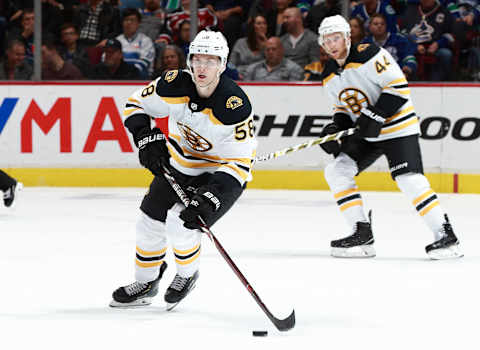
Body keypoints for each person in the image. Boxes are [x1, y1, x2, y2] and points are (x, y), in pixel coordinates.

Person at [110, 30, 257, 309]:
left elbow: (238, 166)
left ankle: (187, 276)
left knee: (182, 223)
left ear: (223, 64)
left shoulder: (233, 106)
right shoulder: (173, 83)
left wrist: (210, 197)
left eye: (211, 60)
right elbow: (135, 104)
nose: (202, 67)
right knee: (148, 223)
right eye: (197, 59)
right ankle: (147, 281)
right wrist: (144, 137)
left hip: (220, 176)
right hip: (178, 165)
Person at [316, 15, 462, 260]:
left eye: (336, 38)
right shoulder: (329, 73)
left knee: (409, 180)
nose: (332, 44)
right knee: (336, 171)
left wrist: (377, 114)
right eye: (327, 40)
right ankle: (362, 234)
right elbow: (342, 109)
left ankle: (446, 236)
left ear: (347, 37)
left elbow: (398, 87)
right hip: (368, 131)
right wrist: (335, 131)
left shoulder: (369, 53)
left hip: (397, 127)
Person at [116, 9, 155, 79]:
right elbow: (107, 60)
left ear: (138, 23)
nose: (129, 22)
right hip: (119, 77)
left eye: (132, 20)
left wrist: (129, 72)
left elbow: (145, 63)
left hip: (140, 79)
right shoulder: (117, 40)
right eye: (126, 20)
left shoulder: (146, 41)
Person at [229, 13, 269, 78]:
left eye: (264, 23)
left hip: (261, 78)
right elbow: (231, 64)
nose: (262, 26)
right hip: (240, 76)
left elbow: (272, 64)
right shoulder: (240, 43)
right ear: (252, 26)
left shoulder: (270, 44)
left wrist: (266, 43)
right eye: (259, 23)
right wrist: (236, 75)